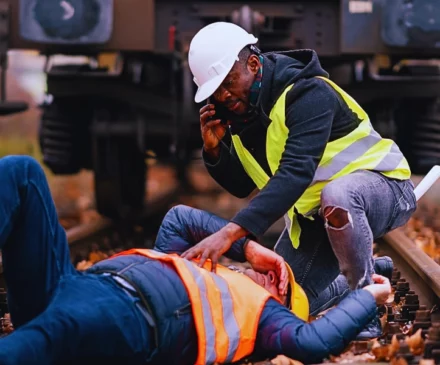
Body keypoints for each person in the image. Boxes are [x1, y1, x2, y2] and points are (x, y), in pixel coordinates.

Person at [0, 155, 392, 365]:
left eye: (281, 287)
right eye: (277, 273)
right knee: (23, 171)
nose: (272, 278)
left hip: (125, 320)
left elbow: (313, 342)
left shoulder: (261, 320)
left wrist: (369, 295)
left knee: (41, 340)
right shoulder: (199, 266)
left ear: (281, 307)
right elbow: (179, 218)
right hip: (68, 285)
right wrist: (247, 247)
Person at [184, 21, 417, 339]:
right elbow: (242, 185)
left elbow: (296, 171)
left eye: (229, 82)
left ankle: (365, 308)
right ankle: (368, 273)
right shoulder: (241, 117)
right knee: (279, 304)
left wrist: (228, 234)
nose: (224, 95)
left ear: (253, 64)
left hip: (385, 188)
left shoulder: (307, 92)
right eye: (215, 91)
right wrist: (213, 151)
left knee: (338, 194)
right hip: (316, 219)